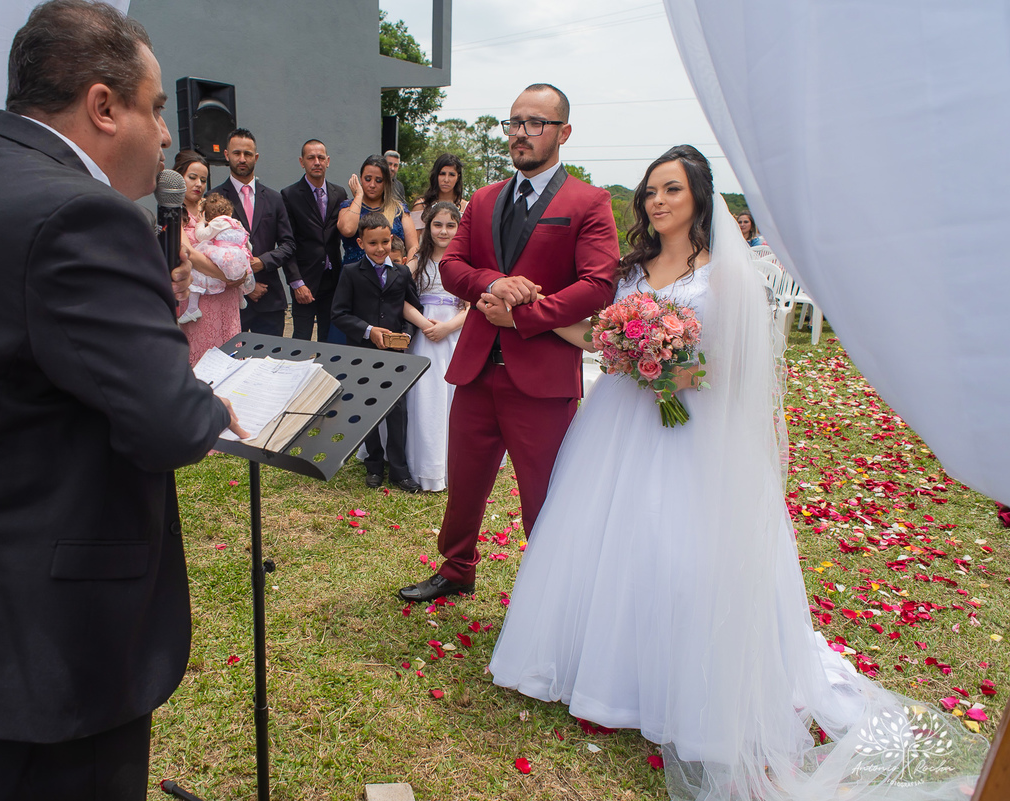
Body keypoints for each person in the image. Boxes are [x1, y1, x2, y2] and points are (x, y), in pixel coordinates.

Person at [488, 146, 986, 801]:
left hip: (692, 423)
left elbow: (737, 361)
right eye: (650, 191)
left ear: (699, 196)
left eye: (671, 189)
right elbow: (598, 333)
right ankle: (600, 670)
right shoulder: (632, 268)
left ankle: (677, 683)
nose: (657, 201)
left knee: (680, 548)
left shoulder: (724, 274)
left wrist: (670, 368)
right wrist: (574, 333)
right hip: (618, 419)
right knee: (607, 537)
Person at [0, 2, 243, 798]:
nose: (165, 136)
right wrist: (210, 406)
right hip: (34, 645)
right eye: (154, 108)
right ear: (103, 106)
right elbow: (169, 421)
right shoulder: (82, 214)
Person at [398, 83, 619, 603]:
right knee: (465, 482)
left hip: (542, 376)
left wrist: (523, 316)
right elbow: (452, 267)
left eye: (535, 123)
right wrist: (495, 283)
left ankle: (548, 593)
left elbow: (598, 284)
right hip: (476, 368)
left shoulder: (589, 201)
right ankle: (457, 569)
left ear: (563, 132)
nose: (521, 132)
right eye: (515, 122)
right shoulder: (483, 198)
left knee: (542, 492)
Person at [331, 212, 423, 493]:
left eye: (385, 242)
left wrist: (407, 334)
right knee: (367, 408)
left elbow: (413, 308)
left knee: (398, 410)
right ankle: (373, 465)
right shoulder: (350, 273)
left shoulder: (402, 273)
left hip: (395, 355)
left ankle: (399, 469)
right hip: (363, 353)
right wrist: (368, 330)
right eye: (373, 243)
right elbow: (339, 313)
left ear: (391, 239)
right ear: (361, 243)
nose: (380, 248)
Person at [404, 201, 466, 491]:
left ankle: (451, 466)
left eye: (450, 225)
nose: (443, 231)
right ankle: (424, 465)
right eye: (437, 224)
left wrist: (447, 327)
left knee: (451, 398)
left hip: (454, 336)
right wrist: (425, 325)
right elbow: (397, 297)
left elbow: (474, 306)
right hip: (423, 337)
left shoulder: (466, 263)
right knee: (426, 398)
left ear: (459, 228)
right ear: (428, 227)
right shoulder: (418, 262)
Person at [210, 128, 295, 337]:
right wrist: (245, 286)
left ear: (255, 157)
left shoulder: (274, 199)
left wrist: (263, 262)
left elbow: (288, 244)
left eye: (247, 154)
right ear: (226, 155)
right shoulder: (214, 198)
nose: (242, 159)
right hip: (231, 300)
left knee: (271, 357)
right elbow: (208, 251)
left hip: (270, 299)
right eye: (237, 153)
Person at [172, 149, 244, 363]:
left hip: (227, 295)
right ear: (179, 177)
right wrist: (228, 276)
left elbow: (232, 236)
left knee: (230, 352)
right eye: (192, 177)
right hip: (199, 296)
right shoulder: (173, 211)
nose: (199, 184)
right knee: (204, 357)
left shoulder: (211, 207)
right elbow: (191, 254)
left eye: (203, 180)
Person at [282, 138, 347, 342]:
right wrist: (296, 282)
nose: (316, 162)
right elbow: (287, 243)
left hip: (332, 280)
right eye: (311, 158)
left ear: (328, 161)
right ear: (302, 162)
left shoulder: (339, 194)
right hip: (305, 280)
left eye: (320, 157)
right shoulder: (289, 195)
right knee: (301, 339)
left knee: (329, 339)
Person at [179, 191, 255, 324]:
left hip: (222, 255)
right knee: (238, 278)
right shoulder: (236, 223)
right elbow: (247, 242)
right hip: (239, 256)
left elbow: (201, 236)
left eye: (203, 181)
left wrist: (200, 223)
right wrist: (245, 254)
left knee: (197, 276)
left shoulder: (217, 222)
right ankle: (241, 298)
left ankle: (193, 307)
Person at [338, 154, 418, 267]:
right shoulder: (348, 206)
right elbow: (348, 229)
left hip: (391, 274)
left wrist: (407, 272)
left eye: (379, 180)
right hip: (354, 274)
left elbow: (413, 247)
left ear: (386, 182)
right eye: (367, 179)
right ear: (360, 179)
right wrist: (359, 196)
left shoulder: (399, 210)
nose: (372, 185)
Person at [410, 152, 468, 236]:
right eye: (442, 174)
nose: (446, 180)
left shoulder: (466, 208)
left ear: (458, 177)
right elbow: (413, 241)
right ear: (436, 175)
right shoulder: (421, 206)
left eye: (451, 175)